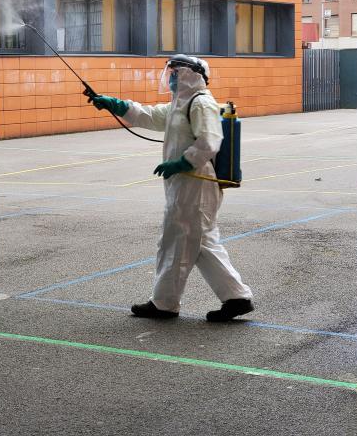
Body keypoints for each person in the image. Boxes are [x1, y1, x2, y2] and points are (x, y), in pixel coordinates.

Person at [89, 55, 255, 322]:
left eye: (176, 73)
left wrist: (182, 162)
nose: (172, 77)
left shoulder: (201, 103)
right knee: (202, 243)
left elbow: (211, 140)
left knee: (176, 241)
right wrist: (115, 105)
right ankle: (236, 298)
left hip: (196, 184)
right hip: (187, 185)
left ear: (192, 74)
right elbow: (150, 115)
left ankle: (164, 304)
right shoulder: (180, 105)